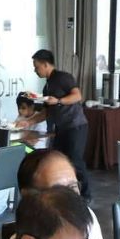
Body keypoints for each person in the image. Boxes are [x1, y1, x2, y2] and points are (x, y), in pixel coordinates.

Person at [31, 49, 92, 201]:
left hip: (75, 126)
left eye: (37, 66)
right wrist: (28, 121)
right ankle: (64, 193)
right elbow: (46, 112)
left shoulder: (63, 77)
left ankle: (85, 196)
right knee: (58, 160)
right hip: (61, 128)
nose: (35, 70)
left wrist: (58, 101)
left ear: (46, 64)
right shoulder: (47, 86)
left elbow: (77, 96)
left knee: (75, 161)